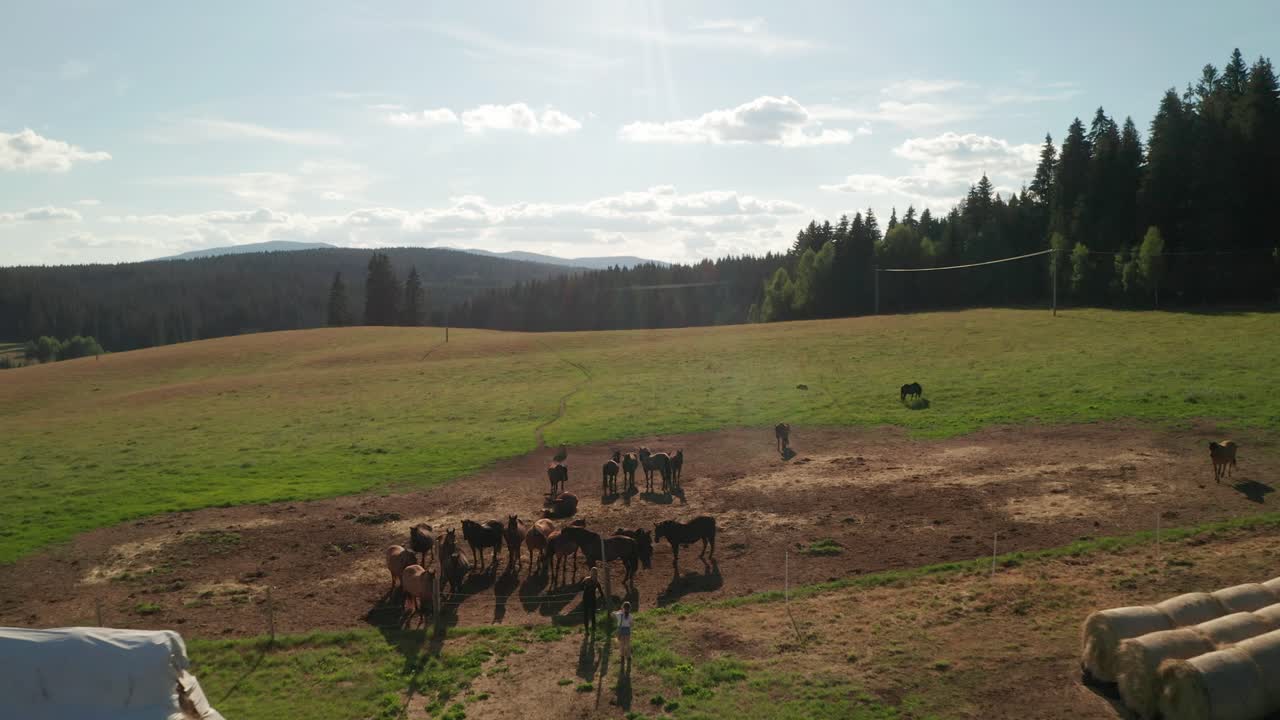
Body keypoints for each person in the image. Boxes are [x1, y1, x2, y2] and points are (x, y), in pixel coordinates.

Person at [580, 567, 603, 634]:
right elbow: (601, 593)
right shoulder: (596, 582)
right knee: (592, 615)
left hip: (586, 599)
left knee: (586, 615)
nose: (594, 574)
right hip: (592, 599)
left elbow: (580, 587)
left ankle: (587, 630)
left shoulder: (586, 580)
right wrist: (602, 600)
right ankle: (593, 629)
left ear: (591, 573)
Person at [612, 601, 633, 666]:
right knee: (627, 644)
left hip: (620, 630)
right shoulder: (630, 615)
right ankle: (628, 656)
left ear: (622, 607)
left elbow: (612, 614)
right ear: (629, 608)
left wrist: (619, 611)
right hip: (627, 630)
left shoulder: (619, 614)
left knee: (621, 644)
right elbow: (631, 624)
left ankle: (622, 656)